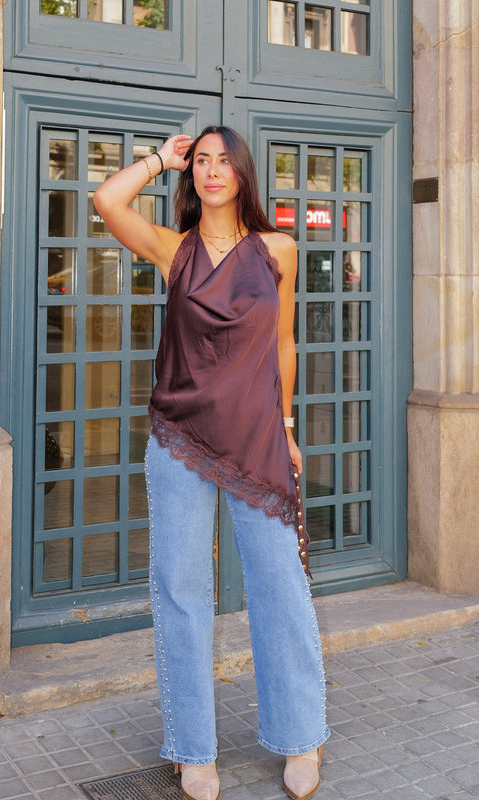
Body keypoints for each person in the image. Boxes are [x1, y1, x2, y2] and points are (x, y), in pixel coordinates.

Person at [94, 126, 330, 800]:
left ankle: (301, 736)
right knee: (181, 591)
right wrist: (157, 159)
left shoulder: (278, 249)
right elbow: (107, 201)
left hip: (257, 439)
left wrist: (287, 428)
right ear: (191, 174)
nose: (213, 170)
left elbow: (283, 346)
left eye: (225, 160)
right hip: (180, 437)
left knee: (280, 586)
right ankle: (192, 748)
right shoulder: (175, 250)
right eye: (201, 160)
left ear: (243, 173)